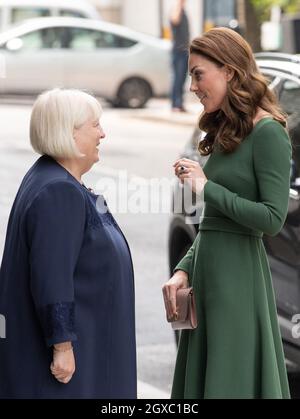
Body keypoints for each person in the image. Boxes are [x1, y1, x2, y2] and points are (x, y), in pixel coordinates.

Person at [163, 27, 291, 399]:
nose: (192, 86)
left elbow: (271, 218)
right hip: (208, 277)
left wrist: (207, 187)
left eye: (198, 74)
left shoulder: (268, 133)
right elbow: (214, 223)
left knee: (230, 381)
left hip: (238, 282)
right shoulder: (227, 129)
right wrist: (184, 269)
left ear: (229, 72)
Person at [0, 88, 136, 399]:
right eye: (95, 125)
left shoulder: (51, 178)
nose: (103, 133)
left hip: (87, 350)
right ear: (69, 133)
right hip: (70, 368)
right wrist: (62, 345)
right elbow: (52, 277)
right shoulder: (58, 191)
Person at [170, 0, 190, 112]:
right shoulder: (175, 10)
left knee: (182, 79)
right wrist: (178, 4)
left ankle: (180, 103)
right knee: (177, 78)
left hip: (184, 50)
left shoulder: (183, 11)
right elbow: (175, 20)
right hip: (178, 51)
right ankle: (175, 104)